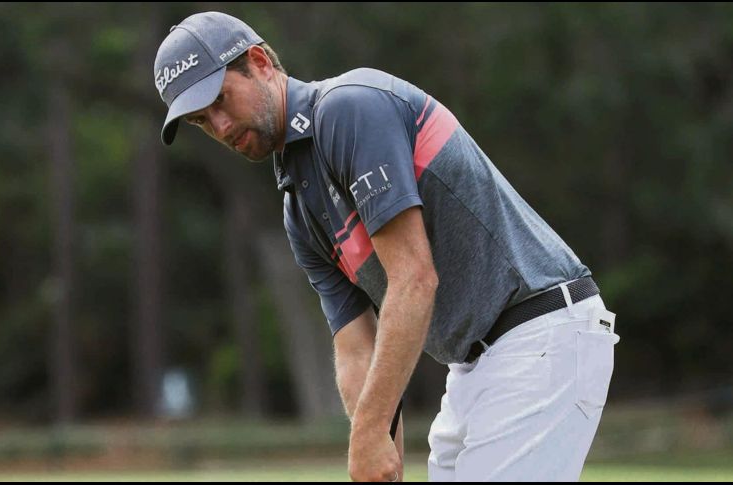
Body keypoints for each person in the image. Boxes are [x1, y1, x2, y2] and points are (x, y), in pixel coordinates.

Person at [154, 11, 621, 482]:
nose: (219, 126)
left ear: (259, 62)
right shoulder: (299, 209)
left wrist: (370, 433)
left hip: (541, 333)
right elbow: (356, 347)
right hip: (475, 367)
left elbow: (414, 278)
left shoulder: (348, 109)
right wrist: (378, 452)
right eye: (201, 120)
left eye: (220, 100)